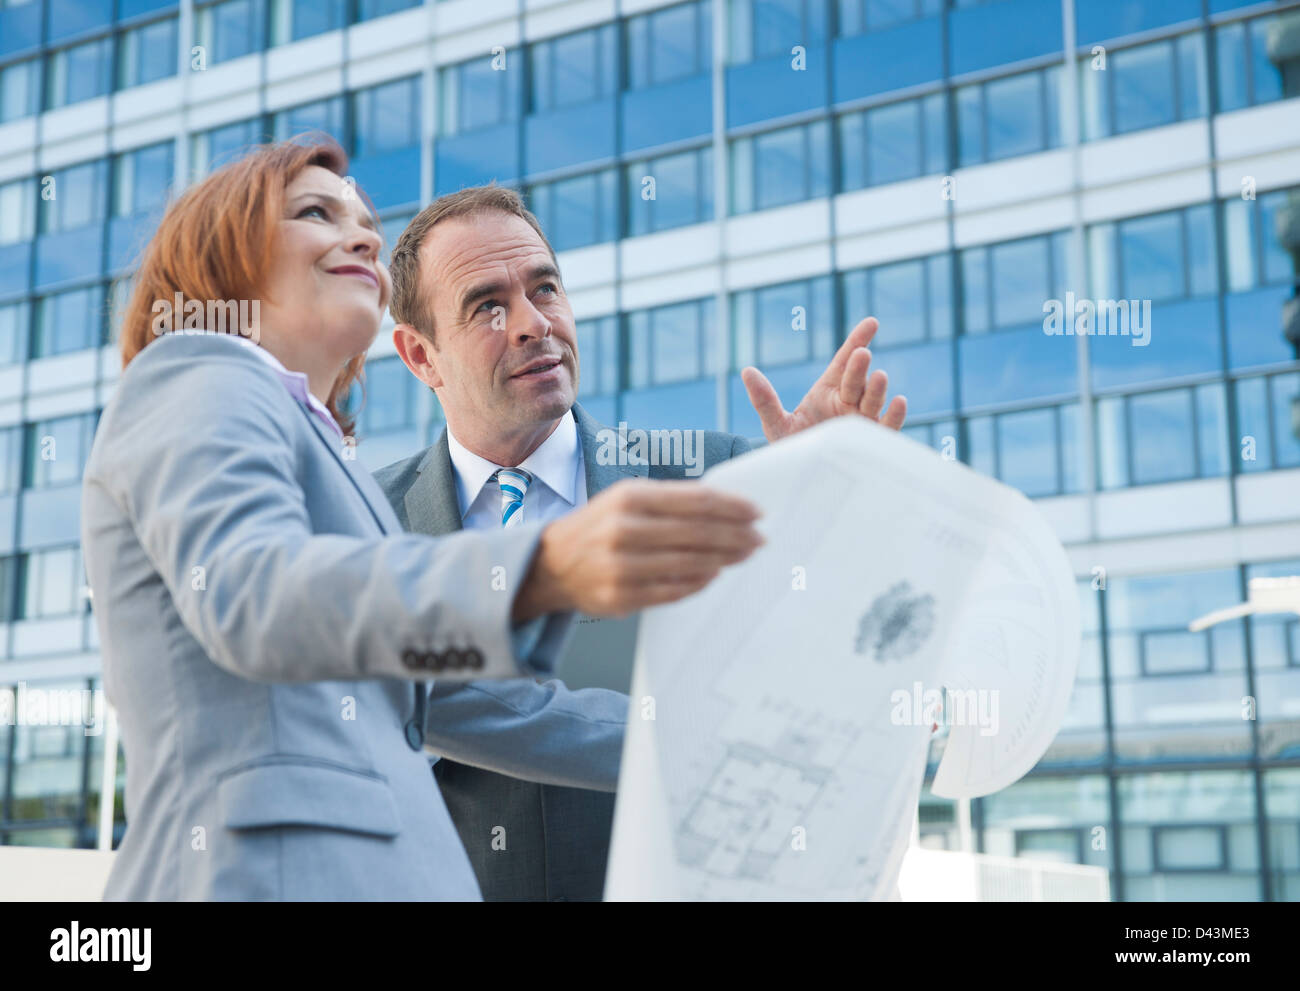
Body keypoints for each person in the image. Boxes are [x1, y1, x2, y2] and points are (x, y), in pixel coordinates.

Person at [81, 140, 762, 901]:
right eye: (316, 212)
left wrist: (711, 743)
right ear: (224, 258)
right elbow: (253, 591)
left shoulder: (328, 463)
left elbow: (481, 702)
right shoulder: (196, 375)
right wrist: (541, 566)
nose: (367, 235)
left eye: (366, 219)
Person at [375, 185, 907, 901]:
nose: (534, 324)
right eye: (488, 307)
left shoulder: (715, 477)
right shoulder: (366, 521)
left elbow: (829, 687)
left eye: (546, 288)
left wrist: (823, 525)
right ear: (420, 355)